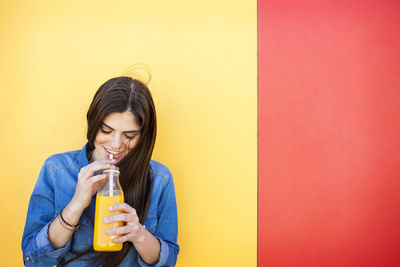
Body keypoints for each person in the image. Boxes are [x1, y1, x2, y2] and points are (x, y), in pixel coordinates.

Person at [21, 76, 179, 266]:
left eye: (129, 135)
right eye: (106, 131)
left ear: (143, 136)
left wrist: (139, 234)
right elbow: (32, 260)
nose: (116, 144)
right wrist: (76, 205)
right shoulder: (56, 171)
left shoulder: (160, 179)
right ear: (93, 123)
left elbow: (169, 261)